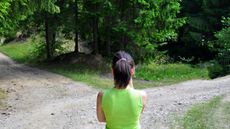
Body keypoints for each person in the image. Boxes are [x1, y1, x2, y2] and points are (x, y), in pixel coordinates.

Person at [96, 51, 147, 129]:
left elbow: (101, 119)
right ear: (132, 70)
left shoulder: (102, 95)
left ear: (113, 71)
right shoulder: (142, 95)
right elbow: (135, 116)